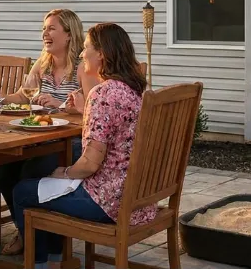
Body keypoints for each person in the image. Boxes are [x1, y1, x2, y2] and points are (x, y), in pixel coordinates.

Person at [12, 23, 156, 268]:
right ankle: (56, 260)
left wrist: (65, 172)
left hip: (108, 202)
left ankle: (41, 264)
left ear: (101, 54)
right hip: (139, 200)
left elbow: (89, 164)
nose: (81, 53)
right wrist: (85, 109)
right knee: (43, 178)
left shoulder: (103, 94)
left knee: (23, 191)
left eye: (86, 48)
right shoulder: (133, 90)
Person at [0, 8, 90, 255]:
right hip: (43, 138)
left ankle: (45, 242)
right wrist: (0, 97)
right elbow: (23, 96)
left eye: (51, 28)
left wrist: (60, 105)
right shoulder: (43, 64)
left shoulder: (83, 68)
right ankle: (26, 231)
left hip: (74, 141)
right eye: (44, 29)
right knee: (3, 168)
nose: (45, 34)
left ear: (69, 34)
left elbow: (94, 109)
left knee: (31, 171)